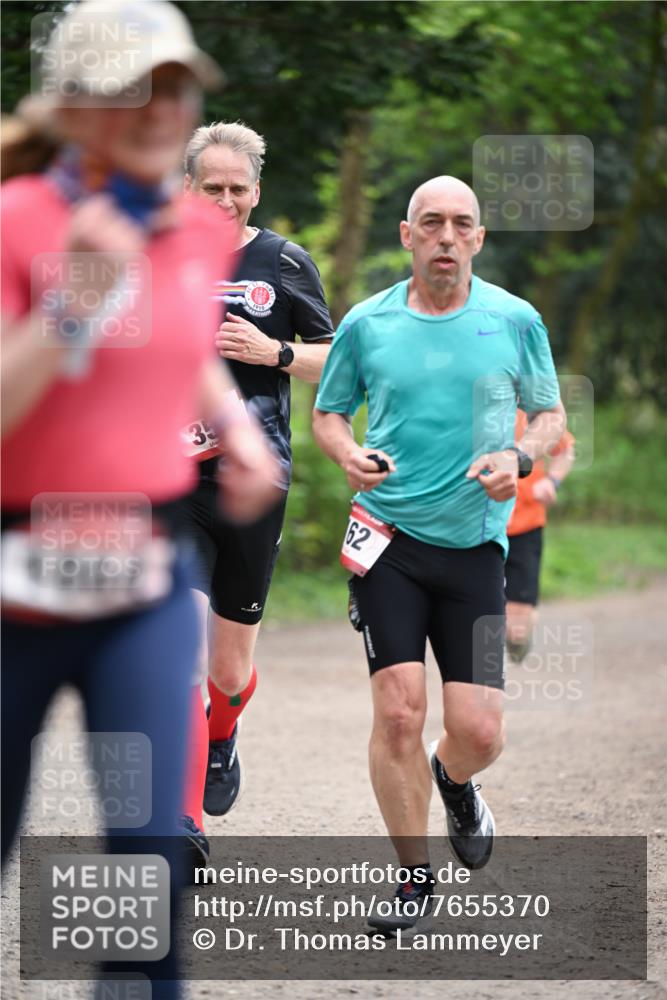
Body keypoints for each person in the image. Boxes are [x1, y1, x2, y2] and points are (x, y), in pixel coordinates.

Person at [1, 3, 278, 996]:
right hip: (12, 581)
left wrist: (236, 429)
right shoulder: (14, 220)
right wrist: (76, 294)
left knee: (148, 876)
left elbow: (180, 352)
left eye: (178, 83)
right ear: (76, 108)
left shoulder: (199, 231)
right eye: (136, 85)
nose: (164, 106)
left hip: (146, 576)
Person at [313, 175, 566, 935]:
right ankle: (412, 877)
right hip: (386, 539)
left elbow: (550, 413)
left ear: (479, 239)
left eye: (461, 224)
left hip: (472, 549)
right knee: (397, 712)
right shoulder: (367, 322)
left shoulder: (514, 318)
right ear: (406, 234)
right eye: (432, 223)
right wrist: (346, 454)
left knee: (479, 730)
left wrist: (520, 459)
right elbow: (328, 412)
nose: (446, 237)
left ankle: (452, 779)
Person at [180, 121, 334, 845]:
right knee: (176, 640)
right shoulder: (155, 255)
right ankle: (180, 820)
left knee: (228, 665)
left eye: (238, 189)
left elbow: (336, 362)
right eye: (212, 187)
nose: (225, 201)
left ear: (257, 191)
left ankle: (223, 730)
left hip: (254, 480)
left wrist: (274, 352)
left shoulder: (285, 262)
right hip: (169, 476)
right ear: (188, 188)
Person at [505, 410, 575, 662]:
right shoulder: (466, 410)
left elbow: (566, 450)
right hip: (474, 530)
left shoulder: (532, 414)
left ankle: (516, 638)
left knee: (517, 626)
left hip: (525, 525)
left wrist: (551, 482)